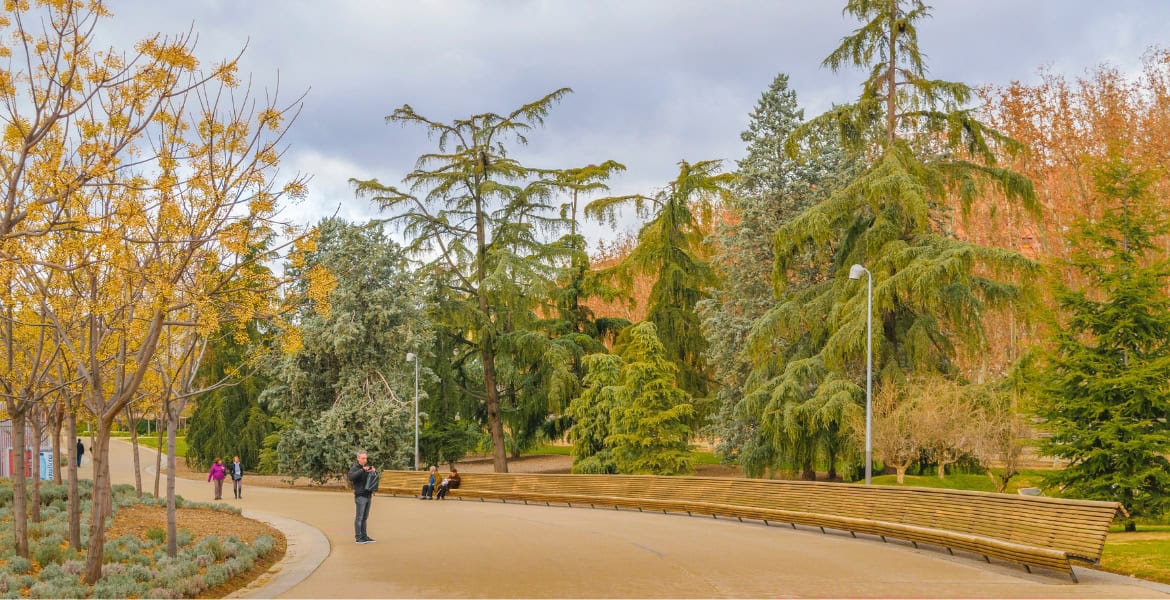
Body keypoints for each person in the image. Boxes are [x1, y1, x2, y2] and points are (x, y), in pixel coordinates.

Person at [347, 451, 376, 544]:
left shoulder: (367, 468)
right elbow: (351, 477)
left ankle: (364, 536)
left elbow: (372, 480)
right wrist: (363, 470)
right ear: (358, 458)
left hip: (368, 495)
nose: (365, 460)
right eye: (363, 458)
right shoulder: (354, 468)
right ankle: (358, 538)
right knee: (359, 517)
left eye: (366, 458)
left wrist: (374, 472)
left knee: (364, 517)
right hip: (360, 496)